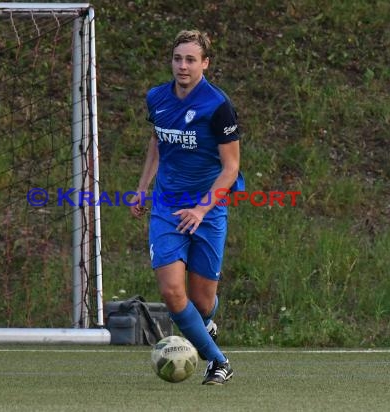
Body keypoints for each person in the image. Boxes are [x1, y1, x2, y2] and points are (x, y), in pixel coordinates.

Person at [130, 29, 243, 385]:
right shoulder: (157, 97)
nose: (183, 66)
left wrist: (201, 210)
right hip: (166, 206)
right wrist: (142, 187)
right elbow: (157, 141)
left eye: (191, 59)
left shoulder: (218, 105)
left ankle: (206, 324)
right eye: (178, 58)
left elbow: (231, 168)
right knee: (171, 292)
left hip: (207, 210)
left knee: (201, 301)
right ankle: (218, 361)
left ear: (205, 64)